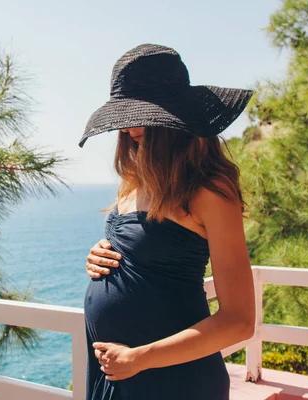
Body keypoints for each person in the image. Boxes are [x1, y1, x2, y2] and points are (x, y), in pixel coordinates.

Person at [78, 44, 256, 399]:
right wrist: (100, 256)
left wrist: (140, 358)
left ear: (171, 119)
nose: (127, 128)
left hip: (173, 380)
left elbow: (239, 320)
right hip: (115, 372)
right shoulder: (135, 180)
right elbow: (145, 253)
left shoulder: (210, 192)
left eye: (136, 114)